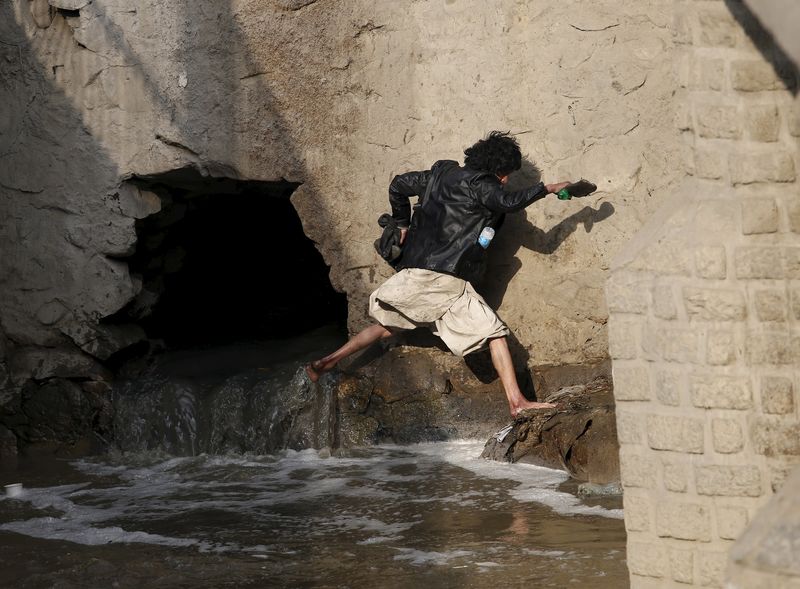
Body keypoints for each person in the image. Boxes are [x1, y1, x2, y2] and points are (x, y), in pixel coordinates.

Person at [306, 131, 571, 417]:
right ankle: (517, 402)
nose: (505, 181)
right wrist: (548, 188)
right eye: (506, 174)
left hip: (414, 271)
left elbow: (398, 185)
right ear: (497, 169)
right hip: (446, 278)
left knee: (387, 326)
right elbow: (507, 203)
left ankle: (327, 361)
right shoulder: (483, 186)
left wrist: (401, 223)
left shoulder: (439, 174)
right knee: (494, 333)